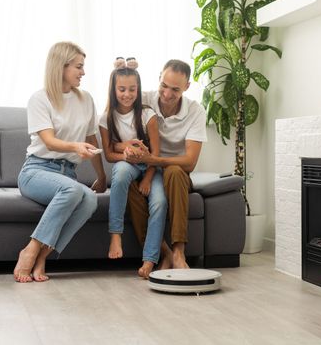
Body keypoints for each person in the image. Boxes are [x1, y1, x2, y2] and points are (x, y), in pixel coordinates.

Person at [14, 41, 107, 283]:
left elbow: (90, 138)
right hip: (36, 171)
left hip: (69, 175)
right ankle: (31, 249)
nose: (83, 72)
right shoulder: (40, 99)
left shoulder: (85, 99)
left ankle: (43, 256)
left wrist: (102, 175)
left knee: (89, 201)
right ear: (61, 66)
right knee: (73, 189)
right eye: (79, 66)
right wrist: (75, 147)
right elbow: (49, 141)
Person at [125, 59, 207, 270]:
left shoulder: (196, 111)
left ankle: (179, 252)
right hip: (146, 169)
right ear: (159, 77)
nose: (168, 94)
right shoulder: (144, 99)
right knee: (132, 186)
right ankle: (165, 253)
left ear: (187, 87)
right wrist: (123, 71)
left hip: (176, 173)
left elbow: (189, 162)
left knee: (174, 172)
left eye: (175, 89)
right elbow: (112, 107)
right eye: (164, 86)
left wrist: (155, 160)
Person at [99, 61, 167, 278]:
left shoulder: (148, 115)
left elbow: (156, 155)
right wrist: (127, 155)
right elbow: (109, 155)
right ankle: (115, 234)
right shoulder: (106, 118)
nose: (127, 94)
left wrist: (147, 179)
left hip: (150, 167)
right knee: (119, 174)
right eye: (121, 89)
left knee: (159, 202)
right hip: (126, 164)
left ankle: (150, 259)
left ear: (138, 89)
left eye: (132, 89)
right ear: (113, 90)